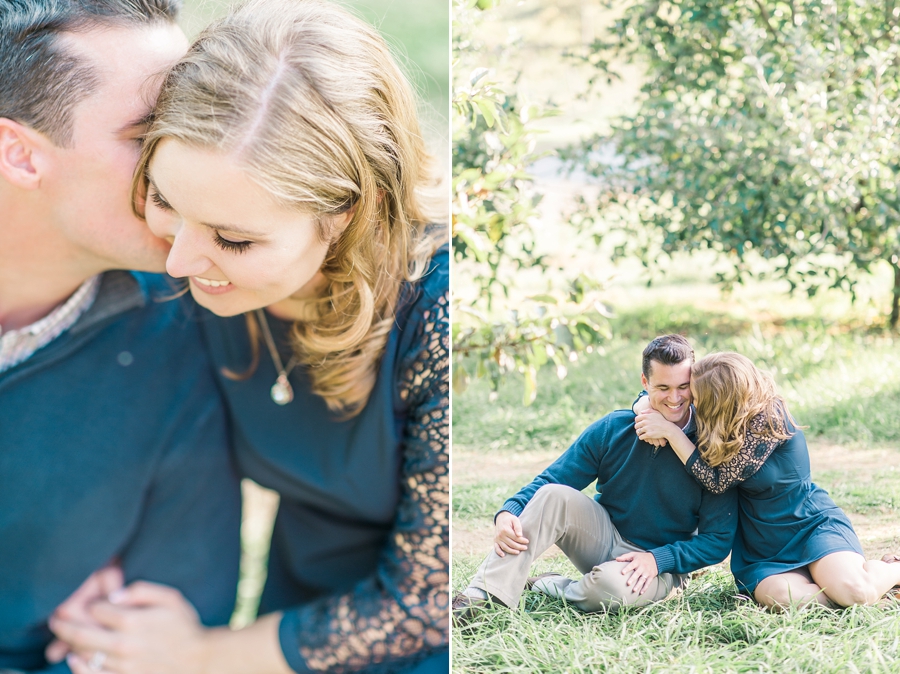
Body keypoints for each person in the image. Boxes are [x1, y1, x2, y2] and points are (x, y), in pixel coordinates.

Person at [49, 1, 449, 672]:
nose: (178, 261)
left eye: (233, 239)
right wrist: (93, 558)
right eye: (165, 199)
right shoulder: (183, 268)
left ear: (348, 215)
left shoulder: (437, 319)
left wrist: (199, 654)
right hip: (285, 613)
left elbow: (427, 596)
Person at [0, 0, 241, 671]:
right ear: (19, 154)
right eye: (149, 134)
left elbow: (163, 635)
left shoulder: (183, 322)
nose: (190, 163)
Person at [453, 335, 737, 618]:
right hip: (604, 537)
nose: (674, 399)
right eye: (663, 387)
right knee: (554, 495)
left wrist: (657, 560)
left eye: (683, 387)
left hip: (660, 567)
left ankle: (549, 584)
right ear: (644, 383)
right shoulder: (613, 428)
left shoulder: (711, 445)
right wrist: (508, 511)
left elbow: (717, 541)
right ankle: (484, 597)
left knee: (608, 587)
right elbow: (553, 479)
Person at [633, 351, 900, 609]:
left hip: (809, 527)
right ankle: (837, 590)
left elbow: (718, 481)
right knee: (787, 598)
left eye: (697, 398)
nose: (691, 402)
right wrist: (644, 405)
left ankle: (891, 570)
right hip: (762, 547)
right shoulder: (717, 421)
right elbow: (661, 394)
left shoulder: (771, 418)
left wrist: (671, 432)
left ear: (720, 401)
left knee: (856, 593)